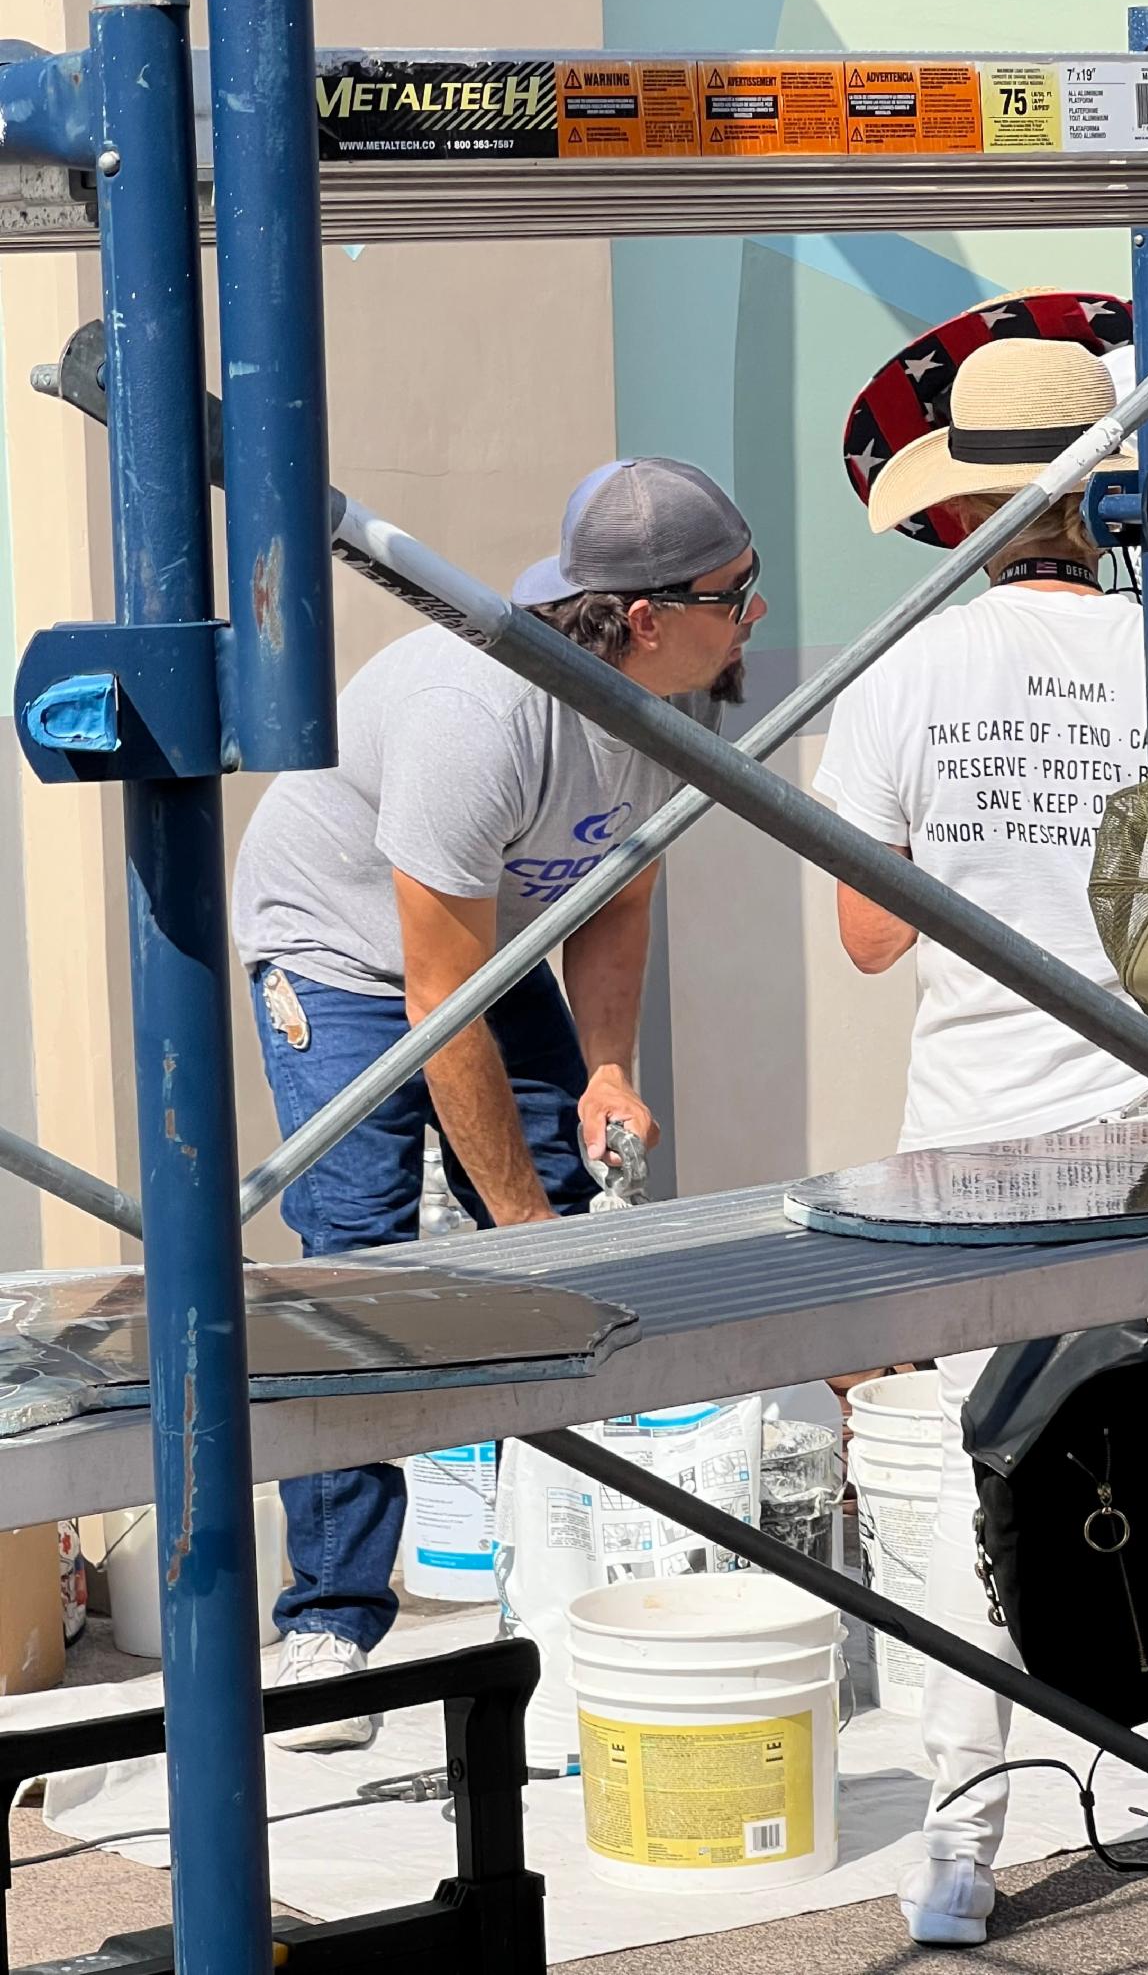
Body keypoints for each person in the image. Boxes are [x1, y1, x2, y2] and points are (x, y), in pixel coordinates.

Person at [232, 455, 767, 1748]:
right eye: (734, 594)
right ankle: (331, 1617)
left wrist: (608, 1067)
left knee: (571, 1223)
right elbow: (438, 1004)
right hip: (340, 950)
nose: (755, 614)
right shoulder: (479, 711)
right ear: (642, 616)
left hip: (488, 941)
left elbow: (618, 895)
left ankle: (566, 1561)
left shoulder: (670, 699)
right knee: (357, 1261)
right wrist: (516, 1221)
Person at [815, 319, 1148, 1947]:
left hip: (967, 1151)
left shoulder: (905, 669)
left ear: (961, 507)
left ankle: (959, 1845)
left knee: (972, 1500)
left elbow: (869, 941)